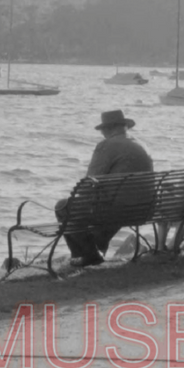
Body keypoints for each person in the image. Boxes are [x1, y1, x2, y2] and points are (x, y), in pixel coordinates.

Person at [56, 109, 153, 266]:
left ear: (108, 128)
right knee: (108, 207)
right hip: (144, 209)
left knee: (63, 206)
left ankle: (85, 255)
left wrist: (83, 196)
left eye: (102, 130)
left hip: (117, 210)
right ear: (124, 126)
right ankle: (94, 252)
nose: (102, 134)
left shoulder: (107, 146)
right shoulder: (141, 145)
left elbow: (88, 183)